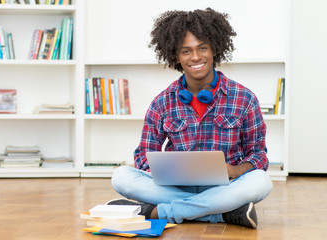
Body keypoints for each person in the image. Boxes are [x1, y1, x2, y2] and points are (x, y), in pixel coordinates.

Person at [108, 8, 273, 229]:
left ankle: (162, 211)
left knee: (261, 182)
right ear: (175, 56)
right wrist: (165, 173)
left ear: (215, 48)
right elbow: (142, 155)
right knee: (121, 177)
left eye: (202, 48)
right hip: (175, 188)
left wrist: (234, 170)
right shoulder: (162, 102)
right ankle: (220, 213)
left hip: (226, 186)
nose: (195, 57)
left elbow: (259, 155)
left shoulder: (244, 98)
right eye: (186, 51)